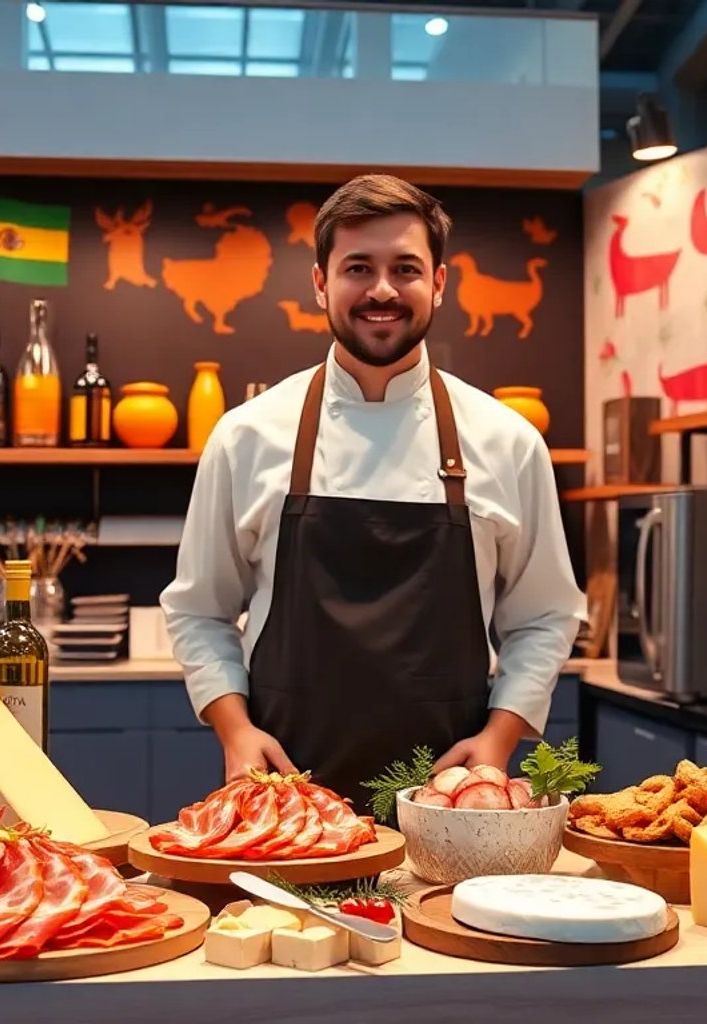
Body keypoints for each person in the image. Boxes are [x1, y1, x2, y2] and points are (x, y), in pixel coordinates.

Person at [161, 174, 585, 808]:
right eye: (358, 267)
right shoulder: (247, 436)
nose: (382, 289)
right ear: (320, 283)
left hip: (450, 803)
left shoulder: (509, 443)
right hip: (283, 798)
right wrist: (235, 732)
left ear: (439, 283)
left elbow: (546, 615)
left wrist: (497, 742)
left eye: (405, 269)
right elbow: (199, 610)